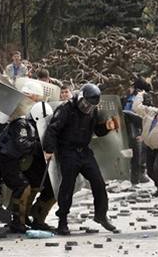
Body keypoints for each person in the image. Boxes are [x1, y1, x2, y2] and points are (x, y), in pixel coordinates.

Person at [43, 83, 118, 235]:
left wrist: (106, 127)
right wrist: (48, 149)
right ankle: (62, 221)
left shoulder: (92, 110)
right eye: (85, 104)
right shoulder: (66, 109)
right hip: (68, 151)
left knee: (98, 182)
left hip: (84, 152)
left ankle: (101, 215)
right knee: (67, 186)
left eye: (90, 106)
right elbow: (53, 129)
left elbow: (96, 130)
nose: (86, 108)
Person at [0, 102, 54, 233]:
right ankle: (18, 221)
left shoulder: (38, 127)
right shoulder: (21, 124)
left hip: (23, 162)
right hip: (8, 161)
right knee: (23, 187)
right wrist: (43, 145)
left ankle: (37, 217)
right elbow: (22, 144)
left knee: (52, 186)